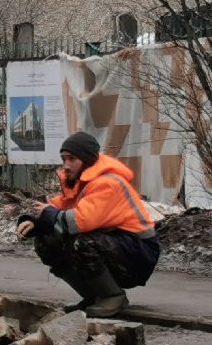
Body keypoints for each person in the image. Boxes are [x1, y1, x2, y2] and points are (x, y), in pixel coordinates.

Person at [17, 132, 160, 317]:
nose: (66, 165)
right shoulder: (83, 182)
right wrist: (34, 221)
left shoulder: (107, 183)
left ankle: (112, 296)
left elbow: (80, 221)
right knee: (47, 242)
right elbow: (59, 206)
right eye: (64, 159)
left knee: (82, 242)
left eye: (72, 159)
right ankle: (93, 296)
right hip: (119, 246)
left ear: (85, 159)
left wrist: (49, 216)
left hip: (138, 252)